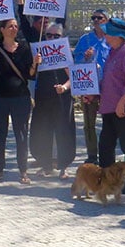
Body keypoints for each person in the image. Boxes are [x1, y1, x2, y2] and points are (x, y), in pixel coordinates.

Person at [95, 17, 125, 194]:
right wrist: (94, 93)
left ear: (117, 35)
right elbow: (109, 81)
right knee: (105, 146)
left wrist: (122, 103)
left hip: (123, 109)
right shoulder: (113, 52)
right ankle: (107, 181)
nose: (105, 35)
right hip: (109, 107)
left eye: (107, 32)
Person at [0, 17, 37, 183]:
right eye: (10, 26)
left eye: (16, 26)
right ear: (2, 29)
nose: (14, 29)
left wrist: (35, 64)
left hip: (20, 98)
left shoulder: (24, 48)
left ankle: (23, 171)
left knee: (21, 135)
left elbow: (30, 75)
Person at [29, 22, 76, 180]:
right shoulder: (39, 52)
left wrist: (64, 87)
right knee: (42, 130)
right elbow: (31, 74)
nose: (52, 38)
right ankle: (45, 165)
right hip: (43, 97)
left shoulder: (67, 53)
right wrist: (35, 63)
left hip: (62, 97)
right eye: (49, 35)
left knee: (64, 131)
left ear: (62, 37)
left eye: (57, 36)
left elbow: (73, 77)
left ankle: (64, 167)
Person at [73, 9, 110, 165]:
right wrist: (84, 57)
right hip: (89, 85)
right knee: (89, 123)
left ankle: (107, 154)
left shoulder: (111, 38)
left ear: (106, 20)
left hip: (108, 86)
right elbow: (75, 61)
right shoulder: (85, 39)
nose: (96, 20)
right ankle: (92, 154)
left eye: (99, 18)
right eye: (93, 18)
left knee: (109, 122)